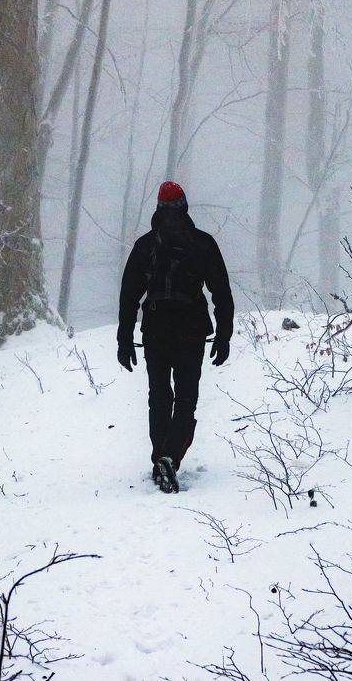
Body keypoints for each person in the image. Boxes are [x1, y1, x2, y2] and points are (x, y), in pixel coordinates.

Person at [117, 180, 234, 492]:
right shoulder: (202, 243)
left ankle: (161, 458)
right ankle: (170, 457)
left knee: (159, 397)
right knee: (185, 398)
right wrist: (223, 334)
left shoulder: (146, 246)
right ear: (185, 206)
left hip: (155, 330)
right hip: (190, 331)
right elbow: (221, 291)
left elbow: (129, 295)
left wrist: (124, 339)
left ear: (157, 207)